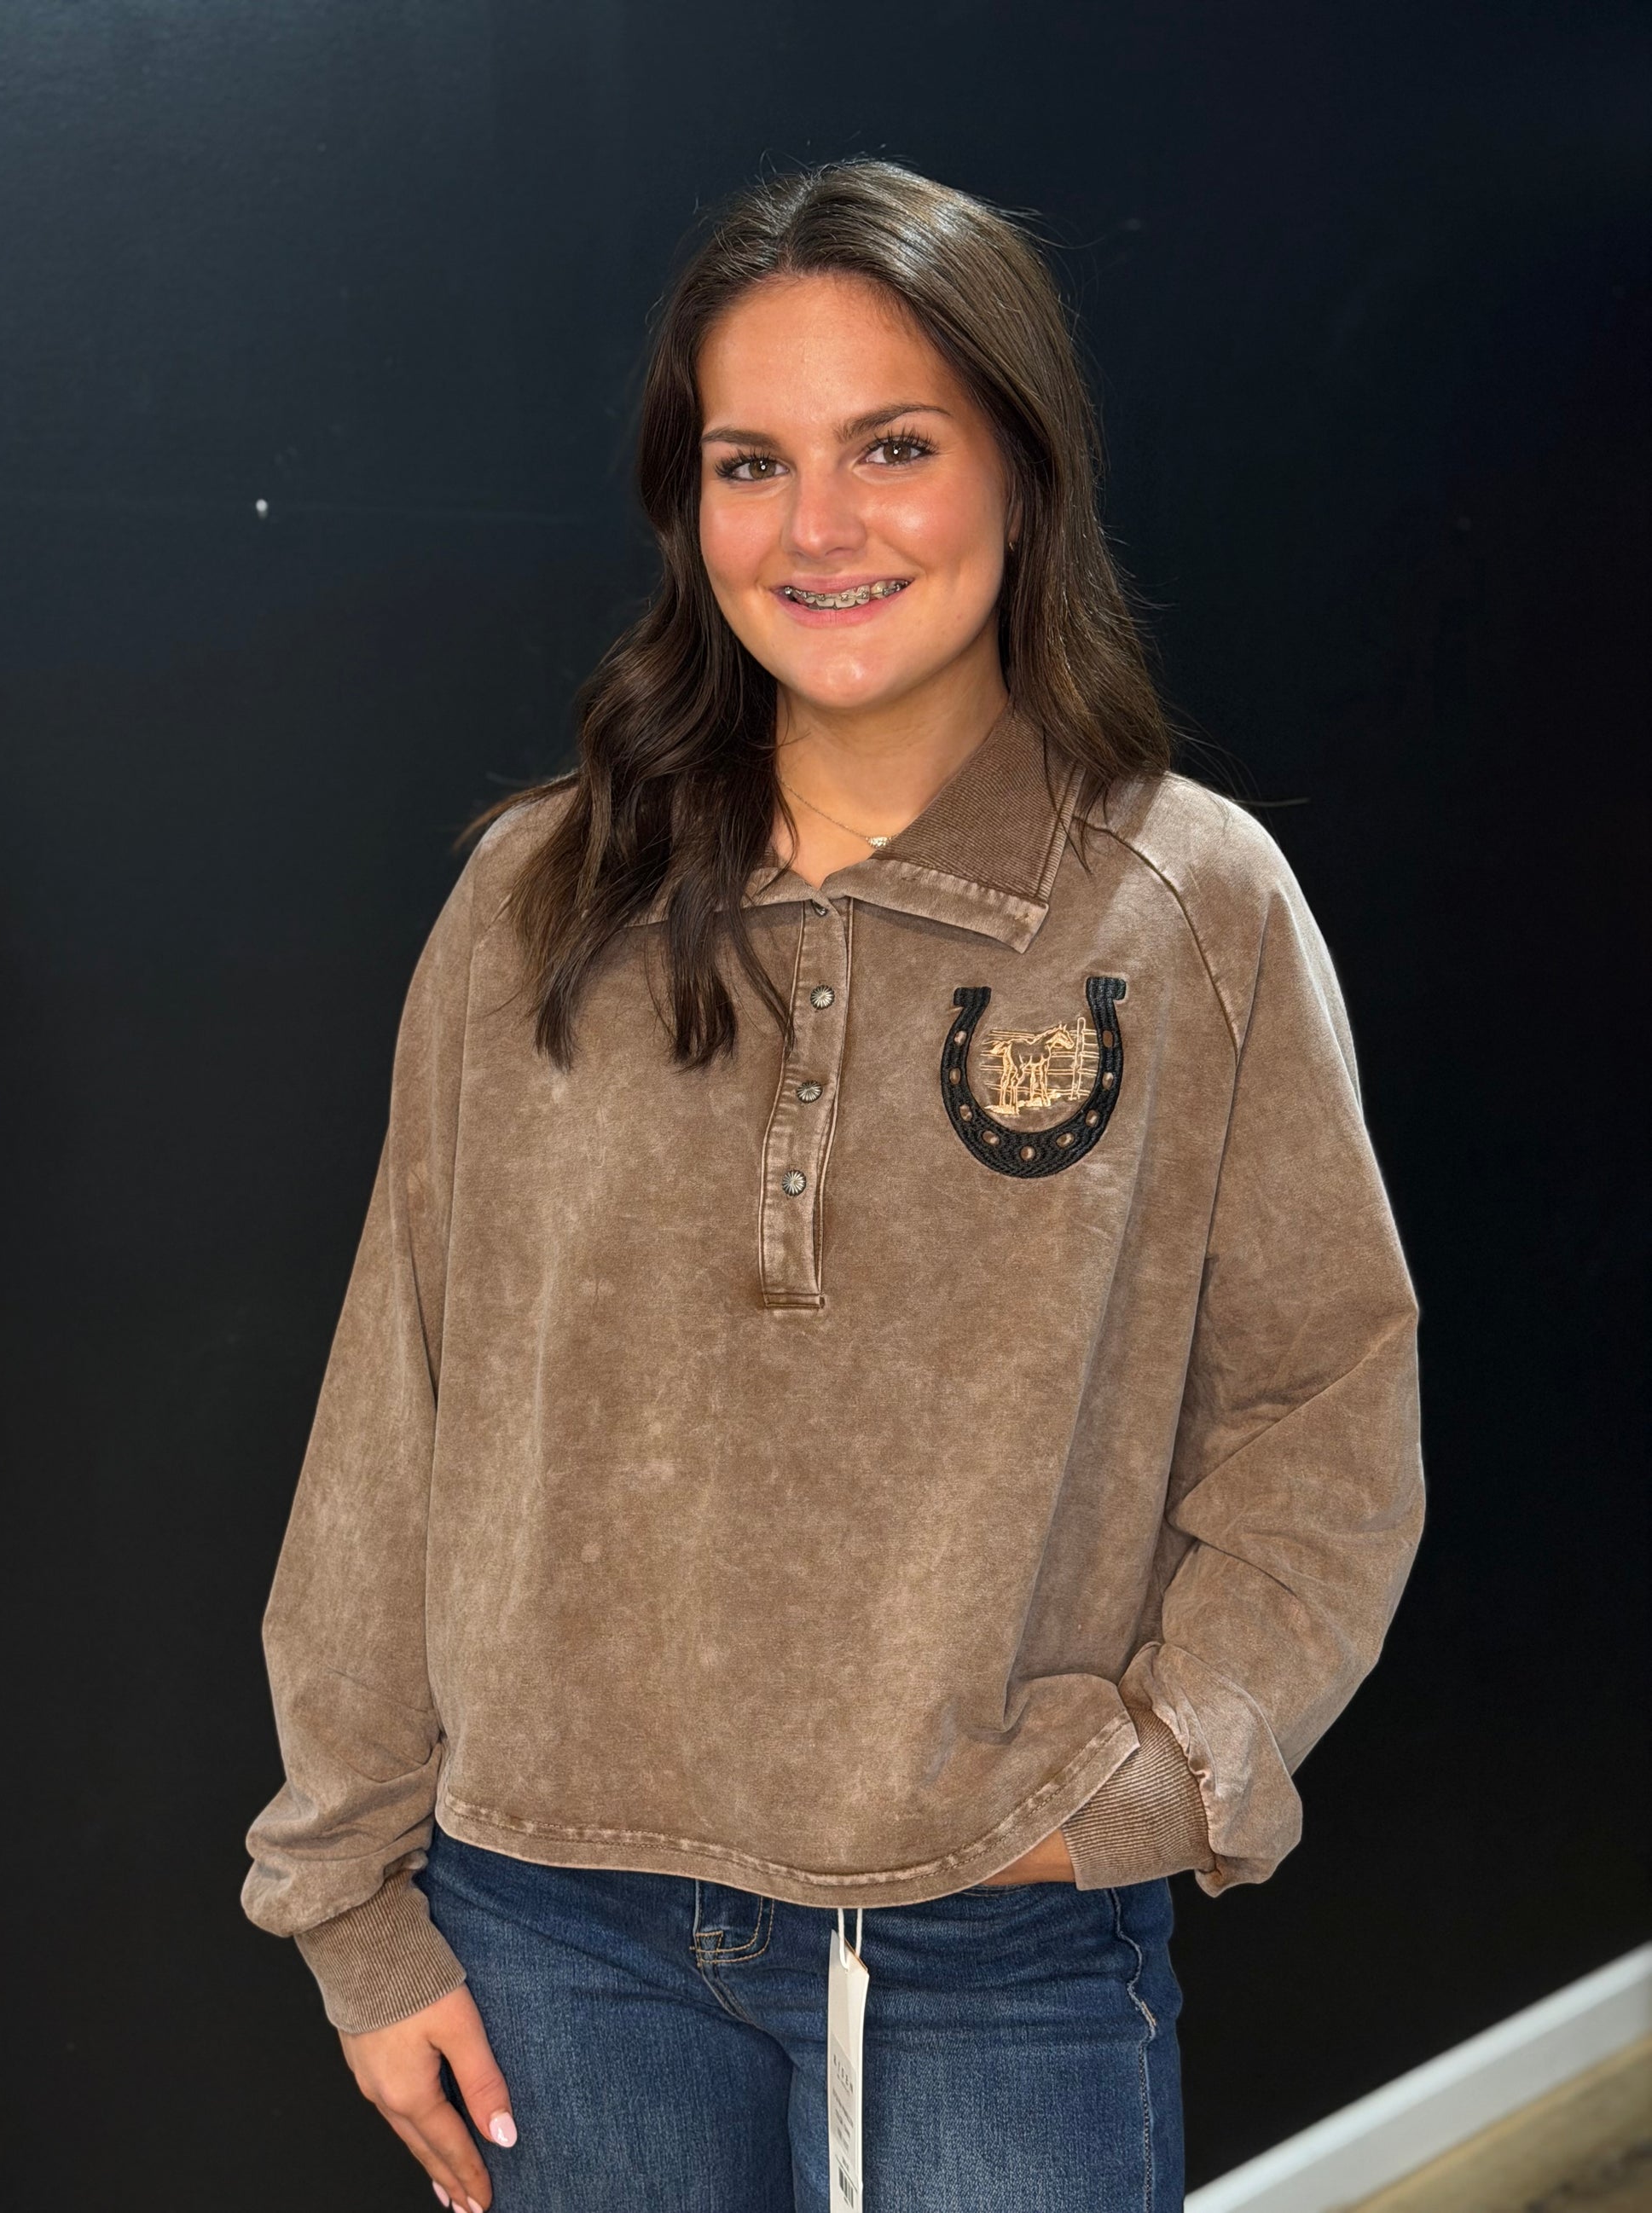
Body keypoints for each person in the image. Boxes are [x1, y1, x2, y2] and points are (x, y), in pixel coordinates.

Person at [242, 158, 1424, 2213]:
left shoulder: (1188, 903)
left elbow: (1322, 1399)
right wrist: (351, 1897)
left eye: (892, 445)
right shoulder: (535, 897)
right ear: (686, 503)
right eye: (750, 463)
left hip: (996, 1945)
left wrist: (1168, 1769)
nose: (817, 528)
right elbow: (395, 1406)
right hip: (554, 1933)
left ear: (1020, 470)